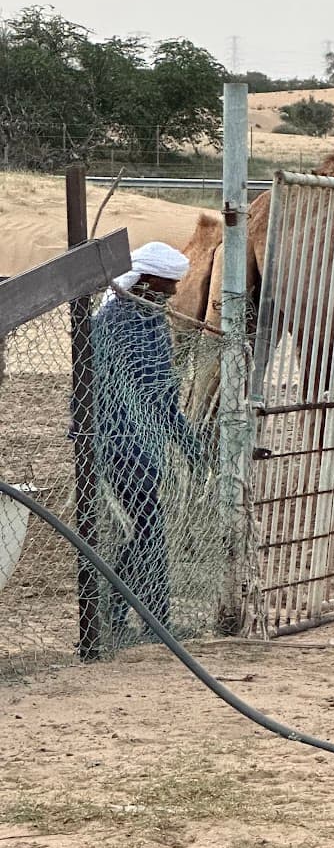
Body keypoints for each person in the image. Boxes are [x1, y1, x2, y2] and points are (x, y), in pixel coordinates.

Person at [90, 240, 204, 640]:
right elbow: (95, 391)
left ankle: (142, 618)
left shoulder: (150, 318)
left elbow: (163, 396)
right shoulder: (112, 323)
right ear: (146, 280)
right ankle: (134, 618)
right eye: (168, 283)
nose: (174, 291)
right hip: (118, 443)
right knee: (147, 530)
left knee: (147, 531)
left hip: (146, 444)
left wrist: (188, 445)